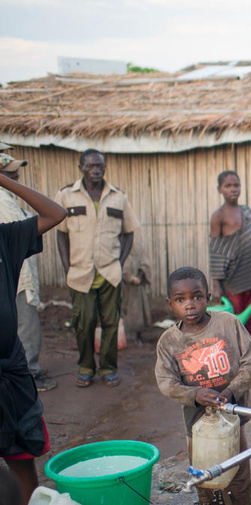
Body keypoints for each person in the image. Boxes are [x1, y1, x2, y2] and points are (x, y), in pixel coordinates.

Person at [155, 267, 251, 505]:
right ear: (170, 304)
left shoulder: (228, 324)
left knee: (238, 477)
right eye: (180, 299)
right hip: (197, 425)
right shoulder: (169, 341)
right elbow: (166, 381)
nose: (190, 304)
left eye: (196, 296)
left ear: (208, 297)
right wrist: (194, 394)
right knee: (205, 479)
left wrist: (232, 391)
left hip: (232, 419)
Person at [0, 167, 66, 505]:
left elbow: (56, 213)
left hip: (11, 372)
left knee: (23, 460)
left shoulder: (5, 238)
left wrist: (4, 180)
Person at [55, 149, 137, 388]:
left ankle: (109, 369)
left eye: (100, 165)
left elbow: (129, 233)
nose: (96, 169)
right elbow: (61, 235)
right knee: (84, 322)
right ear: (81, 167)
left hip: (110, 274)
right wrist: (66, 266)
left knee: (111, 323)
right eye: (90, 165)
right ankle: (86, 367)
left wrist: (119, 264)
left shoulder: (118, 197)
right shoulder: (66, 195)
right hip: (79, 273)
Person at [0, 155, 55, 392]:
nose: (16, 175)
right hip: (16, 276)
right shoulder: (3, 202)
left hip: (15, 273)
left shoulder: (8, 203)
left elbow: (54, 214)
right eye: (10, 172)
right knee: (25, 327)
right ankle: (30, 372)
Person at [209, 170, 251, 335]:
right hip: (233, 278)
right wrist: (217, 284)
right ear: (220, 189)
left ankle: (250, 355)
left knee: (250, 318)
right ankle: (237, 356)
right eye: (228, 186)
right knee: (235, 320)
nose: (233, 189)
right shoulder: (218, 216)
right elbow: (215, 250)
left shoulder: (246, 211)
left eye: (236, 185)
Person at [121, 230, 152, 342]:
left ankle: (137, 334)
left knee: (137, 310)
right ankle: (122, 334)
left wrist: (139, 277)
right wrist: (123, 277)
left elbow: (145, 263)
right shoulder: (114, 247)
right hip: (120, 285)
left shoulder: (137, 248)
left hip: (136, 286)